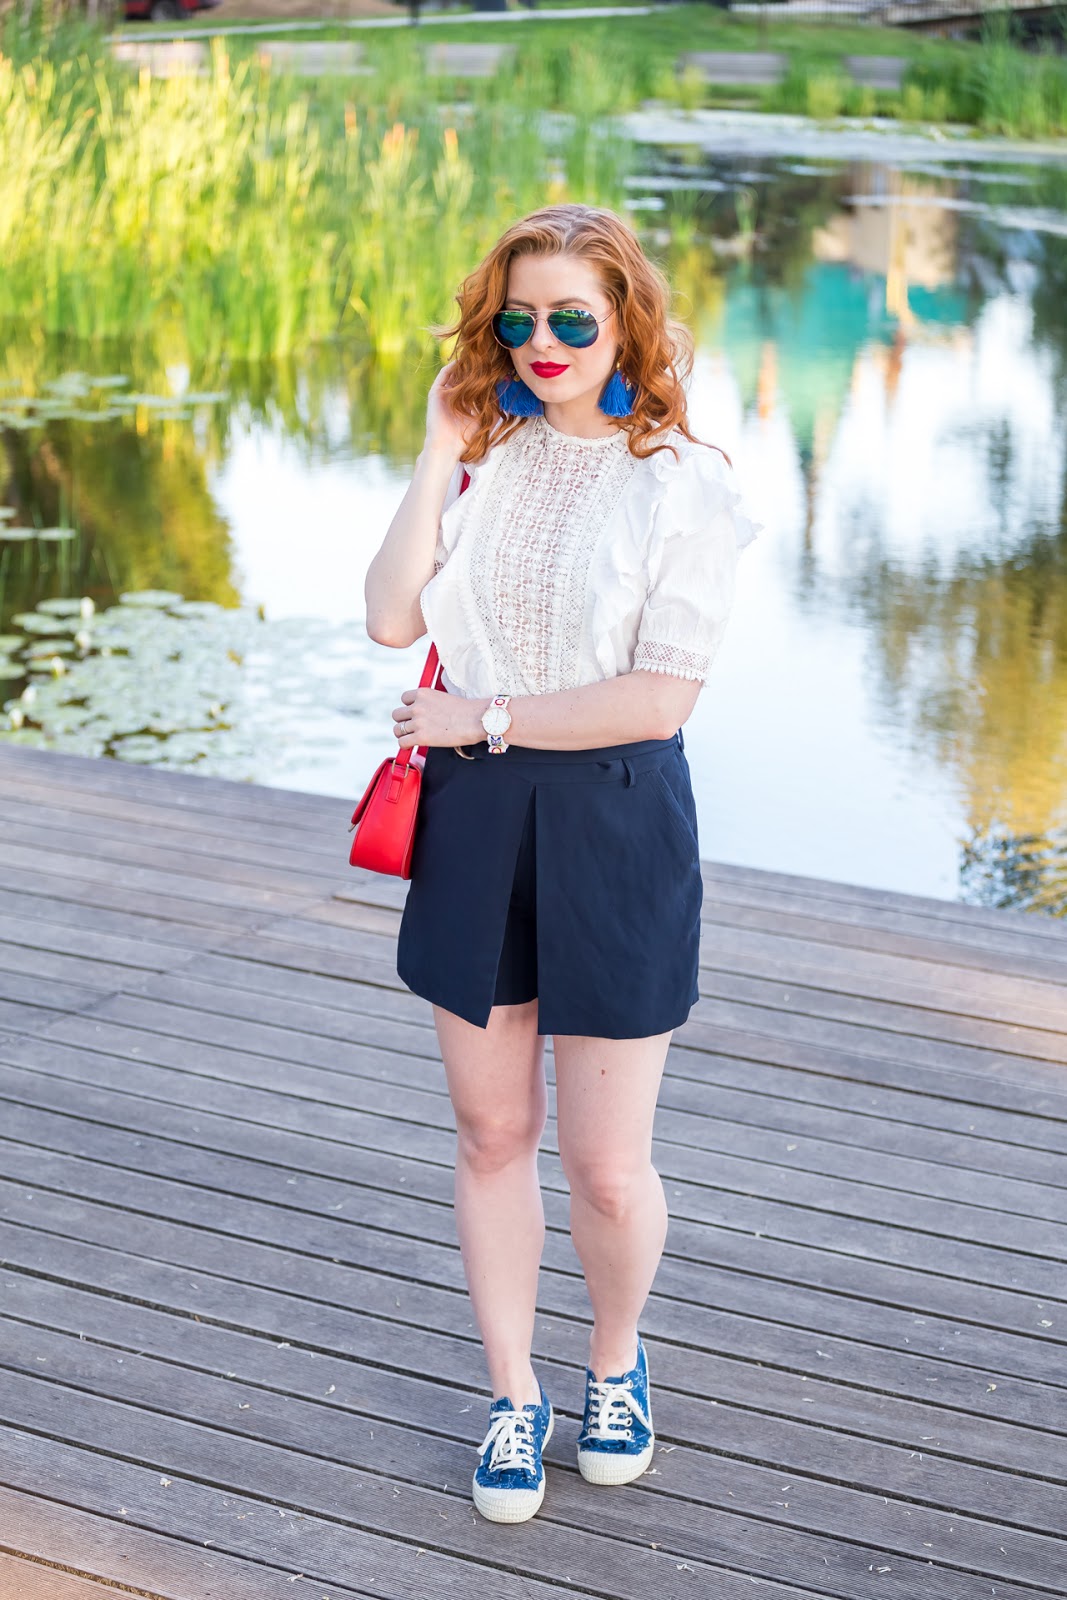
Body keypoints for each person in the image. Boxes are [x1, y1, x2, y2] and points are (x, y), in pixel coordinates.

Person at [363, 203, 760, 1525]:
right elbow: (389, 616)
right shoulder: (491, 455)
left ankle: (615, 1364)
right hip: (476, 825)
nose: (543, 342)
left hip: (615, 821)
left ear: (626, 324)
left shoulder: (682, 483)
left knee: (605, 1163)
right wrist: (439, 446)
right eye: (519, 318)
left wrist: (482, 717)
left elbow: (660, 698)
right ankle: (513, 1395)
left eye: (573, 319)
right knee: (491, 1134)